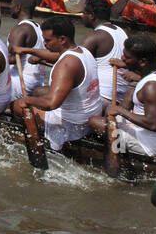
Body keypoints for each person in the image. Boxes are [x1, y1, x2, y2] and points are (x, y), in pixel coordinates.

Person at [12, 16, 102, 151]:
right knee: (39, 92)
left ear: (62, 39)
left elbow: (51, 103)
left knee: (17, 105)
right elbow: (56, 55)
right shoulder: (83, 51)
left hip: (72, 124)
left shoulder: (66, 64)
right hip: (89, 115)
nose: (44, 43)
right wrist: (29, 50)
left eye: (48, 40)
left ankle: (37, 140)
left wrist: (27, 100)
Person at [89, 34, 156, 157]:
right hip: (148, 132)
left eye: (127, 57)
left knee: (93, 121)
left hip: (148, 145)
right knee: (130, 92)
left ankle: (118, 155)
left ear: (142, 62)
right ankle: (116, 133)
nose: (122, 58)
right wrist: (127, 65)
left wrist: (120, 111)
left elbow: (153, 125)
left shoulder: (153, 88)